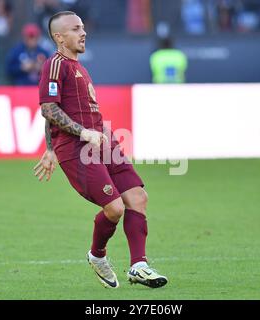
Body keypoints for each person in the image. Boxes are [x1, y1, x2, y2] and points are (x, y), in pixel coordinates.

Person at [33, 11, 167, 289]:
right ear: (59, 37)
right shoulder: (55, 65)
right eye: (74, 29)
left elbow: (54, 111)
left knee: (138, 197)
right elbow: (48, 107)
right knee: (115, 208)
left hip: (102, 140)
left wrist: (50, 147)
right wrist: (65, 142)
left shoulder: (80, 67)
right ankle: (97, 255)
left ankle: (139, 266)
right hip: (76, 147)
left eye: (82, 27)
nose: (82, 33)